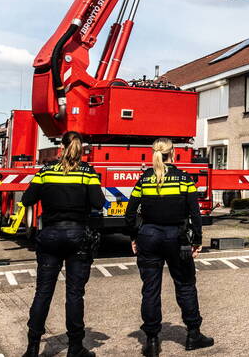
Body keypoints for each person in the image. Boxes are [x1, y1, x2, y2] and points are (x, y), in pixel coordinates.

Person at [125, 138, 213, 355]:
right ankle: (193, 335)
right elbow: (195, 213)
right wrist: (197, 240)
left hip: (149, 237)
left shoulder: (145, 179)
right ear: (173, 153)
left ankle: (152, 342)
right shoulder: (184, 179)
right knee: (185, 284)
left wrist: (134, 236)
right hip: (178, 239)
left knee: (150, 289)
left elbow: (129, 213)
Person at [21, 131, 104, 357]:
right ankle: (75, 347)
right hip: (78, 236)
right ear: (81, 148)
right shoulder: (88, 172)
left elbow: (27, 199)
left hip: (50, 236)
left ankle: (32, 348)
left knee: (43, 292)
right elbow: (98, 202)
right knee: (75, 294)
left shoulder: (46, 171)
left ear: (61, 147)